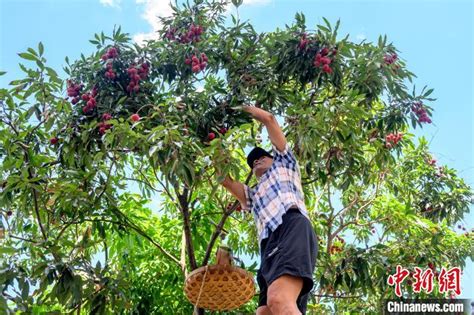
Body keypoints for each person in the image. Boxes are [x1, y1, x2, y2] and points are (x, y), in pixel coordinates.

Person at [219, 105, 318, 315]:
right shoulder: (253, 195)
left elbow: (270, 120)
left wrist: (238, 110)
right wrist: (210, 141)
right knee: (264, 312)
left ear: (273, 156)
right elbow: (225, 181)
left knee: (279, 299)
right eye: (252, 161)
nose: (256, 160)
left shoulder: (285, 164)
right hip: (268, 245)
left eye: (262, 155)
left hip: (291, 225)